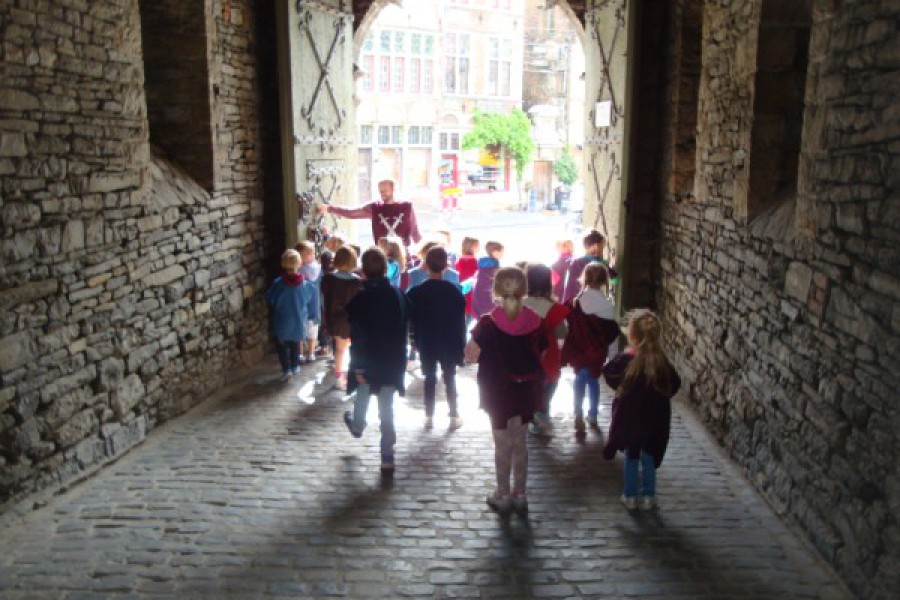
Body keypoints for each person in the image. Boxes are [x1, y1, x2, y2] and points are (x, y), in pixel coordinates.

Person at [465, 268, 546, 514]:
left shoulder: (487, 324)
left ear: (496, 291)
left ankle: (502, 493)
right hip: (525, 389)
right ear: (524, 290)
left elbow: (470, 356)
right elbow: (542, 351)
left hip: (497, 391)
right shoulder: (535, 320)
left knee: (502, 444)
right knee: (520, 442)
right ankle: (520, 493)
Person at [603, 309, 681, 511]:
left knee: (631, 456)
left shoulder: (625, 360)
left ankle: (630, 495)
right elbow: (674, 384)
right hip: (655, 420)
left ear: (632, 335)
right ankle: (648, 495)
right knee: (648, 456)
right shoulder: (661, 362)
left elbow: (609, 374)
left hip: (630, 420)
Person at [342, 247, 410, 472]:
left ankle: (358, 426)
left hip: (369, 359)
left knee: (362, 393)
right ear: (384, 268)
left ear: (363, 270)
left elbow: (359, 336)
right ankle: (387, 455)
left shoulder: (361, 299)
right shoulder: (398, 294)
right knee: (386, 407)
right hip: (391, 360)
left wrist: (359, 366)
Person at [407, 246, 467, 431]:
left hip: (426, 340)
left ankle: (429, 416)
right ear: (446, 266)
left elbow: (412, 321)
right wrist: (461, 345)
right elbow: (460, 323)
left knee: (429, 377)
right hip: (449, 341)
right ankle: (454, 414)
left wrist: (413, 341)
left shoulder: (416, 293)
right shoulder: (455, 292)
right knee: (450, 377)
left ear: (424, 265)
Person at [561, 263, 620, 433]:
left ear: (584, 278)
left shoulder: (574, 302)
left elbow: (567, 326)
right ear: (604, 281)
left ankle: (577, 413)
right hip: (597, 352)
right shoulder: (608, 306)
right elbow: (612, 333)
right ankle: (593, 414)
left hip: (578, 350)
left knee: (579, 381)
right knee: (593, 381)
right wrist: (612, 357)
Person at [523, 263, 569, 436]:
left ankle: (532, 416)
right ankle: (542, 415)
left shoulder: (522, 305)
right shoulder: (555, 309)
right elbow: (562, 334)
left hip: (526, 358)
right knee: (548, 389)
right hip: (549, 359)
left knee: (529, 389)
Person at [265, 249, 320, 381]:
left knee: (282, 346)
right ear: (300, 264)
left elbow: (270, 299)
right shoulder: (306, 285)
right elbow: (310, 301)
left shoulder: (278, 284)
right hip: (298, 320)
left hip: (282, 320)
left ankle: (286, 369)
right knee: (295, 344)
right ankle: (295, 367)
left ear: (283, 264)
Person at [318, 180, 422, 249]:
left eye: (385, 190)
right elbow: (352, 213)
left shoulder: (407, 207)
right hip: (382, 255)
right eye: (380, 190)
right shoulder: (375, 208)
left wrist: (423, 249)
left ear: (393, 189)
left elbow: (414, 229)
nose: (382, 193)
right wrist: (330, 208)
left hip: (403, 254)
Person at [318, 246, 362, 392]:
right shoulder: (356, 282)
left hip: (333, 320)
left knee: (339, 349)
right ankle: (345, 377)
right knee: (350, 350)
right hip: (350, 321)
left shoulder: (328, 279)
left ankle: (339, 376)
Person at [561, 230, 619, 303]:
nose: (602, 250)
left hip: (572, 304)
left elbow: (569, 288)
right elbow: (615, 280)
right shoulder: (600, 264)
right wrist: (613, 265)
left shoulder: (575, 262)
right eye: (602, 247)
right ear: (596, 246)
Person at [296, 241, 323, 363]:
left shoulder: (298, 270)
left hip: (302, 302)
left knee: (301, 329)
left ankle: (302, 354)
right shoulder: (318, 268)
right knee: (311, 329)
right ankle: (309, 353)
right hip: (314, 301)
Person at [470, 240, 504, 317]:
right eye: (502, 251)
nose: (503, 254)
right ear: (495, 253)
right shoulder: (494, 267)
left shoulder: (481, 266)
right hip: (488, 298)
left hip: (478, 296)